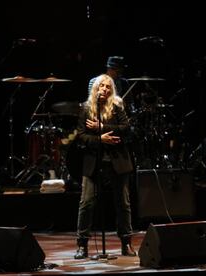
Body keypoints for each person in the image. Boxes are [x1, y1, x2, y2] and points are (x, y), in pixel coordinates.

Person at [74, 74, 136, 259]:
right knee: (86, 203)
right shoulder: (86, 108)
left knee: (123, 204)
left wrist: (102, 126)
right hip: (95, 161)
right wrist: (100, 138)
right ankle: (82, 245)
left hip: (118, 161)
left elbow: (126, 128)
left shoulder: (117, 106)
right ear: (95, 88)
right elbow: (81, 136)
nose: (105, 89)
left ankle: (126, 243)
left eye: (109, 86)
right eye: (102, 85)